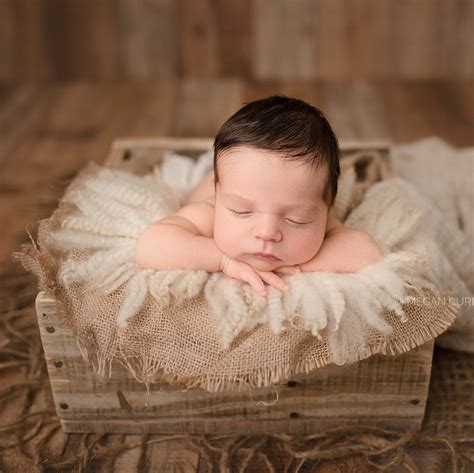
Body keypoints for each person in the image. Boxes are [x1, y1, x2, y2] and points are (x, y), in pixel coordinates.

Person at [135, 95, 383, 297]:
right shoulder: (209, 212)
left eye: (296, 219)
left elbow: (366, 252)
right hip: (213, 182)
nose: (266, 233)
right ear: (220, 198)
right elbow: (150, 245)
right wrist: (223, 261)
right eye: (242, 211)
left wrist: (294, 268)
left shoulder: (318, 212)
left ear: (326, 208)